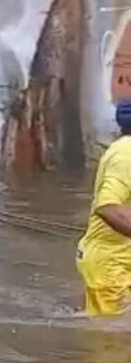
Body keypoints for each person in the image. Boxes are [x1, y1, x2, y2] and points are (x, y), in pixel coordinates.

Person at [76, 101, 131, 316]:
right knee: (110, 343)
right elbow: (107, 207)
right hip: (111, 267)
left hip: (121, 261)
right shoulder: (127, 154)